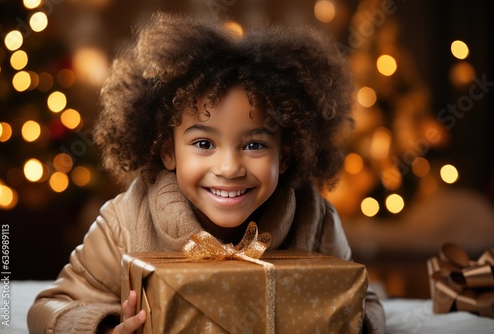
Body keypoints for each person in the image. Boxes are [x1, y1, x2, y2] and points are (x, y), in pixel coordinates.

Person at [27, 12, 385, 333]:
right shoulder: (123, 223)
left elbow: (365, 301)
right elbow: (47, 308)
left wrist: (351, 324)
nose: (229, 168)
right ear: (168, 151)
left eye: (254, 145)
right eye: (203, 144)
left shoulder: (316, 221)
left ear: (286, 155)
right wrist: (103, 327)